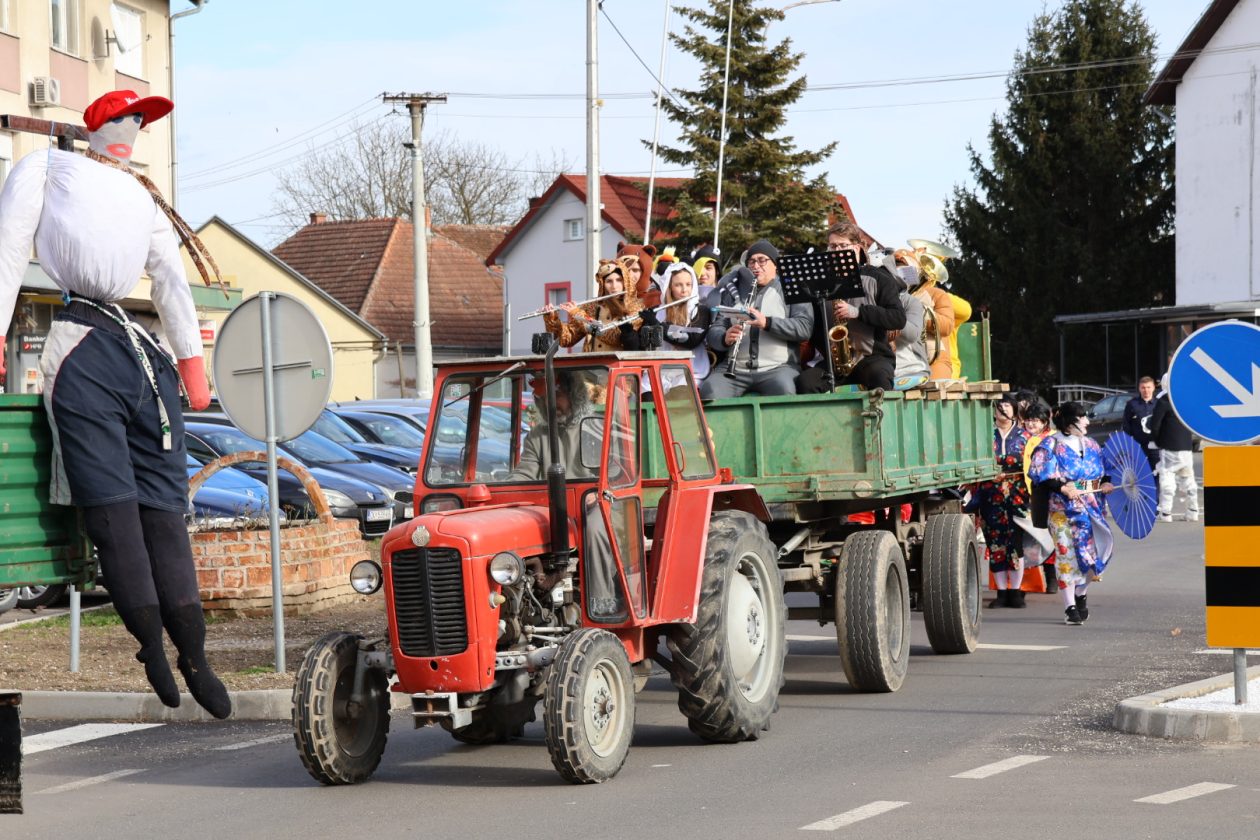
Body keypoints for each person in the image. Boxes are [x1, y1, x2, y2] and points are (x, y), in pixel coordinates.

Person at [0, 90, 230, 717]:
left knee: (164, 511)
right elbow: (7, 251)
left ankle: (195, 654)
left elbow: (172, 281)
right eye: (127, 116)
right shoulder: (43, 168)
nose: (135, 126)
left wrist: (191, 362)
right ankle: (152, 650)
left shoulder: (142, 195)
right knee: (115, 514)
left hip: (141, 355)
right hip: (80, 347)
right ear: (95, 125)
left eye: (142, 120)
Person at [1028, 401, 1116, 625]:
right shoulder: (1050, 445)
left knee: (1093, 556)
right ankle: (1069, 606)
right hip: (1061, 510)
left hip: (1091, 508)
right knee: (1066, 554)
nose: (1087, 421)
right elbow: (1040, 474)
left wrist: (1106, 483)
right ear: (1069, 421)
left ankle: (1081, 592)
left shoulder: (1092, 445)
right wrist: (1062, 487)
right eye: (1081, 417)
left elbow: (1104, 471)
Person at [797, 222, 905, 393]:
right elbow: (813, 328)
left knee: (880, 379)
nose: (837, 251)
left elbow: (898, 318)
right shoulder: (821, 283)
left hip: (872, 357)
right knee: (805, 383)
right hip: (835, 361)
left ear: (855, 248)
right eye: (833, 246)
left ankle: (882, 419)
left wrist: (858, 312)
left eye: (843, 246)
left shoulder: (879, 278)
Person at [700, 239, 814, 399]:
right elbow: (715, 330)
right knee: (709, 391)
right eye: (751, 262)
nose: (755, 265)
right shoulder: (733, 292)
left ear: (775, 265)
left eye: (762, 260)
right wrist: (724, 338)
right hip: (735, 369)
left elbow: (804, 328)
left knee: (784, 390)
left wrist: (768, 323)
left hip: (778, 368)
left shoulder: (792, 289)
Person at [966, 396, 1031, 607]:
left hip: (1017, 494)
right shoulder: (984, 435)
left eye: (1007, 406)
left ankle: (1016, 589)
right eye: (999, 406)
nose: (1003, 410)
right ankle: (1001, 592)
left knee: (1016, 542)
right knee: (995, 542)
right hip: (990, 493)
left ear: (1014, 410)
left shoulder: (1025, 436)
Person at [543, 259, 642, 352]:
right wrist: (552, 318)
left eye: (619, 280)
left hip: (618, 367)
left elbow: (613, 337)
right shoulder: (592, 306)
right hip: (592, 367)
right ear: (603, 284)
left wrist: (579, 315)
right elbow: (566, 340)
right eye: (609, 281)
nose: (614, 286)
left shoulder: (635, 308)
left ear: (625, 282)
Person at [1150, 373, 1199, 523]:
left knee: (1167, 478)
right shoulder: (1185, 400)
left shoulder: (1164, 400)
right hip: (1185, 446)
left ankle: (1166, 512)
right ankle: (1193, 510)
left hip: (1168, 445)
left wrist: (1157, 441)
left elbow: (1155, 425)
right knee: (1188, 478)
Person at [657, 263, 713, 390]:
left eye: (688, 284)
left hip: (692, 369)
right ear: (669, 287)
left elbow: (691, 339)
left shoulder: (700, 311)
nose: (684, 290)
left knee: (680, 393)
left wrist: (658, 327)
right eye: (678, 285)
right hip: (661, 369)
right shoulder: (658, 312)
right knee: (646, 391)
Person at [1123, 376, 1159, 469]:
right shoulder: (1131, 404)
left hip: (1156, 446)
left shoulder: (1160, 404)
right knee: (1140, 473)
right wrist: (1129, 444)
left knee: (1157, 473)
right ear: (1139, 388)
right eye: (1143, 387)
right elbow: (1126, 425)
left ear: (1153, 387)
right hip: (1138, 447)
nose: (1146, 390)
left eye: (1148, 387)